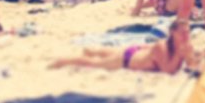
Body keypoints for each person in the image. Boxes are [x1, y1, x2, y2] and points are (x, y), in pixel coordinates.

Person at [50, 27, 192, 74]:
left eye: (187, 33)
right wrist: (182, 55)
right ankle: (63, 61)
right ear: (173, 34)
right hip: (128, 59)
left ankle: (90, 50)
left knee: (97, 52)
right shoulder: (162, 47)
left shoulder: (169, 47)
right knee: (94, 64)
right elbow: (168, 70)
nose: (186, 36)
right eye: (182, 34)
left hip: (135, 52)